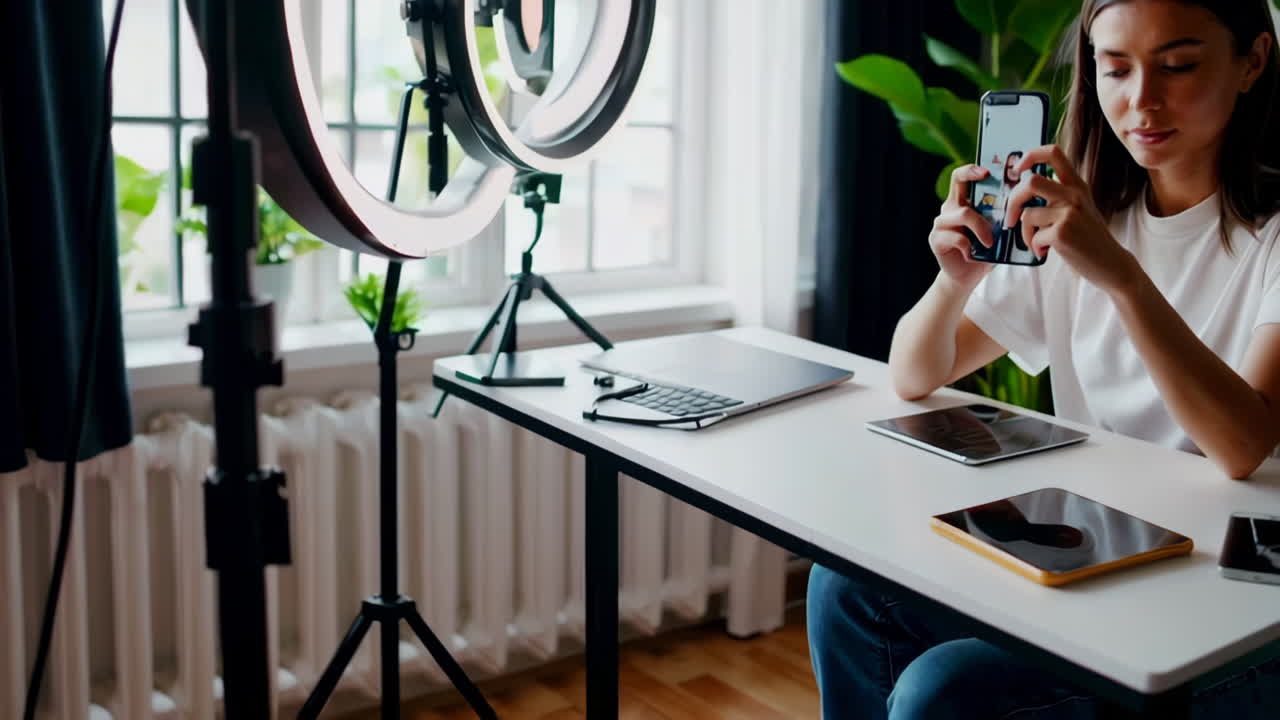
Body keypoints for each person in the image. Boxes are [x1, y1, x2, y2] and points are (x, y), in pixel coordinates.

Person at [808, 1, 1280, 717]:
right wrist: (955, 279)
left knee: (942, 694)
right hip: (1110, 547)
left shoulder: (1263, 239)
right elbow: (914, 373)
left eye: (1177, 66)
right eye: (1115, 69)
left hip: (1233, 589)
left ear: (1253, 61)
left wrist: (1121, 277)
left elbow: (1242, 446)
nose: (1141, 100)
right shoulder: (1088, 220)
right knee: (845, 587)